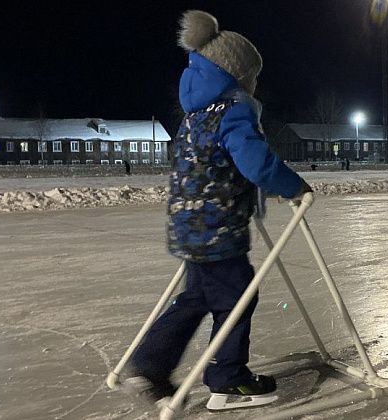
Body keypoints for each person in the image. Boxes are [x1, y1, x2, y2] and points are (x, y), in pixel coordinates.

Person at [123, 10, 312, 411]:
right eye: (252, 77)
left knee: (197, 297)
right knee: (237, 295)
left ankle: (149, 366)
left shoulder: (194, 116)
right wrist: (293, 185)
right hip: (218, 228)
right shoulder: (233, 110)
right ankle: (227, 379)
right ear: (236, 75)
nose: (255, 85)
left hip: (188, 225)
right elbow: (254, 161)